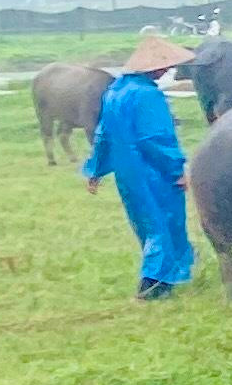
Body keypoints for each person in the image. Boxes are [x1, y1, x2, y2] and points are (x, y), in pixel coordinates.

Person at [80, 35, 196, 301]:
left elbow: (103, 134)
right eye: (163, 66)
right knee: (165, 222)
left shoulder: (115, 92)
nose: (167, 70)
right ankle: (154, 285)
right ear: (151, 67)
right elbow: (155, 138)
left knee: (146, 223)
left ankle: (170, 274)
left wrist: (95, 169)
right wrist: (176, 169)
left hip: (128, 174)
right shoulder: (148, 95)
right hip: (153, 173)